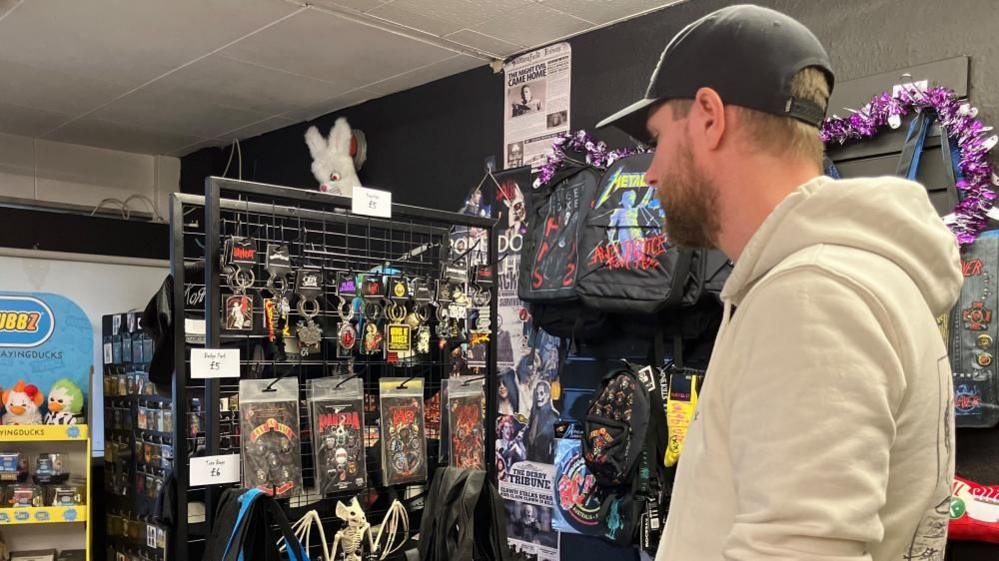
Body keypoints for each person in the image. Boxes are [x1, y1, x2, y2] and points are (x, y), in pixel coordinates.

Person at [598, 5, 961, 561]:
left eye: (658, 137)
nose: (650, 171)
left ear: (709, 117)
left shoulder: (814, 297)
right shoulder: (836, 281)